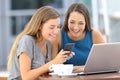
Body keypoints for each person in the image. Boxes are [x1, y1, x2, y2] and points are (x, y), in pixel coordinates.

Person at [7, 6, 73, 80]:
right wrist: (54, 62)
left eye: (58, 27)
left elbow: (44, 71)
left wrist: (61, 60)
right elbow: (26, 77)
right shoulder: (27, 41)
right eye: (51, 27)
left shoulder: (48, 43)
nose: (56, 31)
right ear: (40, 26)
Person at [52, 3, 106, 69]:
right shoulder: (58, 36)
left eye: (81, 23)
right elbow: (52, 66)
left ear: (86, 23)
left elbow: (104, 63)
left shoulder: (95, 35)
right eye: (72, 22)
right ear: (67, 21)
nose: (76, 28)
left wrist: (77, 68)